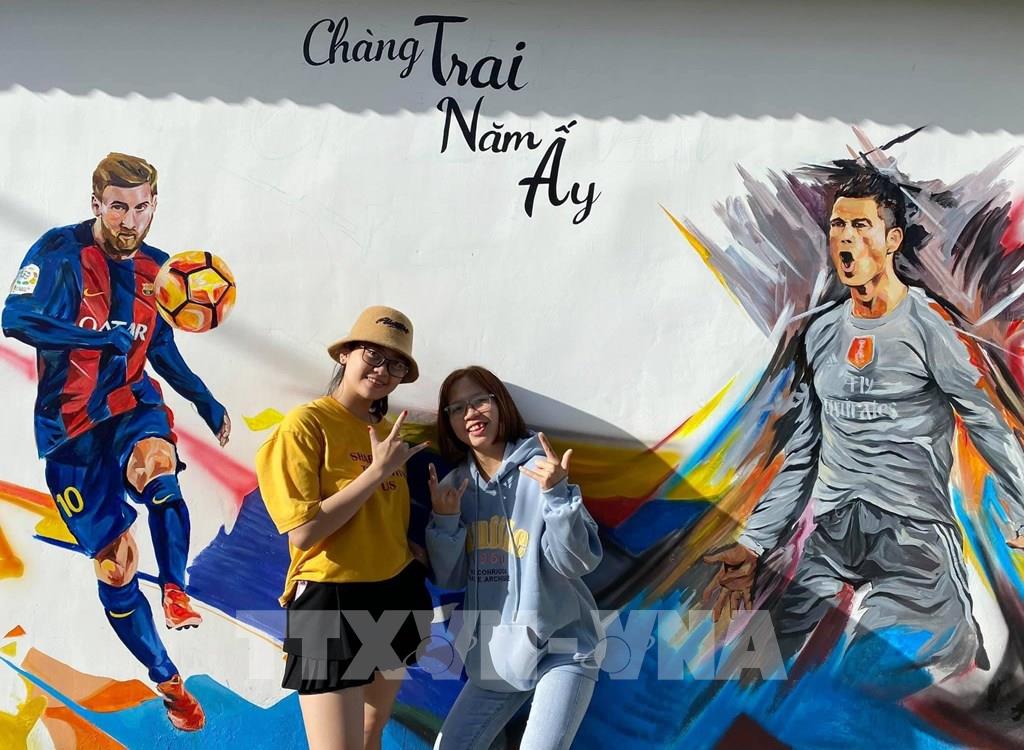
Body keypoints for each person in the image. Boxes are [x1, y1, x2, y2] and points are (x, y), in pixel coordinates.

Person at [702, 163, 1024, 677]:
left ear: (892, 240)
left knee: (870, 682)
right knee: (750, 669)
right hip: (831, 534)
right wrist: (754, 542)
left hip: (912, 535)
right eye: (838, 225)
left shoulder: (929, 325)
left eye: (860, 226)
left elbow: (986, 420)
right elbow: (804, 452)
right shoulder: (821, 334)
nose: (846, 238)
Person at [2, 152, 230, 731]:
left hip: (131, 405)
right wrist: (96, 338)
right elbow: (15, 318)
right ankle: (167, 679)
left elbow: (160, 348)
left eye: (142, 207)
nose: (131, 220)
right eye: (119, 207)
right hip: (68, 431)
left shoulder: (161, 272)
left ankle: (176, 590)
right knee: (116, 568)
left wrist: (204, 400)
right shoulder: (58, 252)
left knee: (156, 464)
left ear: (154, 206)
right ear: (97, 204)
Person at [255, 305, 433, 750]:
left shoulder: (390, 433)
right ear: (345, 354)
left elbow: (387, 519)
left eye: (396, 364)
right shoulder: (306, 425)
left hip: (395, 592)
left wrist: (414, 556)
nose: (383, 370)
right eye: (373, 354)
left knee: (373, 733)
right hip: (330, 599)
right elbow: (303, 532)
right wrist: (375, 472)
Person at [426, 366, 603, 750]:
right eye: (457, 408)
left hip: (564, 646)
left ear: (500, 404)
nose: (470, 414)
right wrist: (446, 520)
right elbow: (451, 579)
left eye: (479, 401)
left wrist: (557, 495)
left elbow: (577, 563)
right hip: (500, 656)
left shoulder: (543, 471)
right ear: (449, 421)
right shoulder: (454, 488)